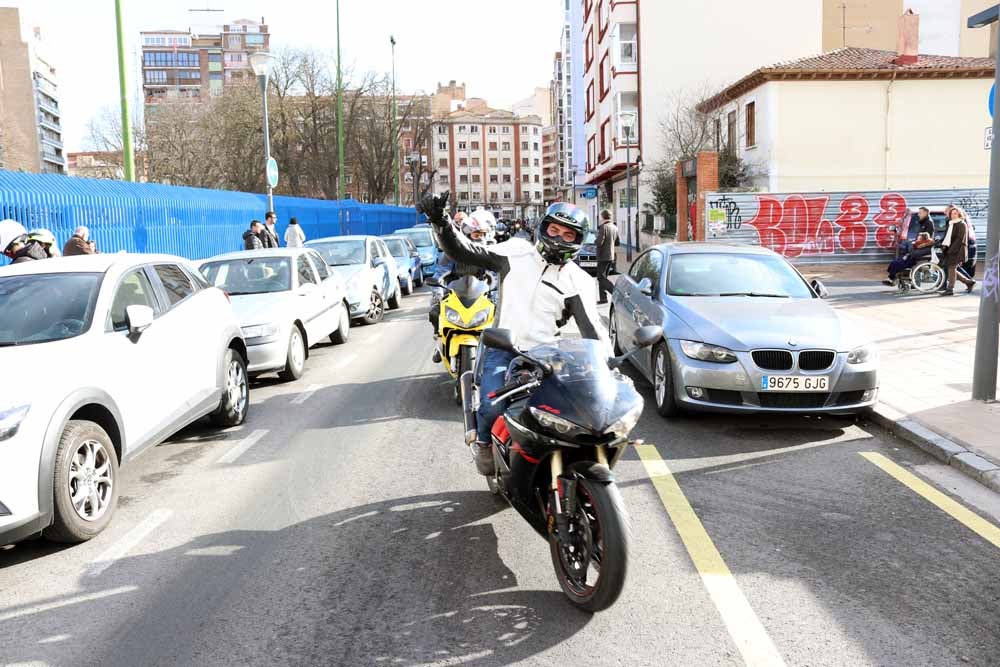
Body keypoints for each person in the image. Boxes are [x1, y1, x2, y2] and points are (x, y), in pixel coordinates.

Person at [418, 191, 605, 475]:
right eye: (553, 229)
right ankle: (483, 443)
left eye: (568, 234)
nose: (558, 237)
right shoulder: (514, 253)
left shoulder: (579, 281)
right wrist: (440, 222)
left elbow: (592, 329)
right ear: (542, 228)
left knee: (565, 415)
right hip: (503, 348)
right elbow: (463, 250)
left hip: (549, 356)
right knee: (493, 406)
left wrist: (609, 367)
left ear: (578, 241)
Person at [883, 207, 934, 285]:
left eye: (920, 212)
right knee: (896, 262)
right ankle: (892, 278)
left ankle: (892, 278)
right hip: (916, 249)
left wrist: (915, 244)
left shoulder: (928, 223)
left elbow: (926, 238)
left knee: (900, 262)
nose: (918, 214)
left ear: (925, 213)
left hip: (920, 251)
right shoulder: (922, 222)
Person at [941, 206, 976, 295]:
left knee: (952, 268)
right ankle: (968, 282)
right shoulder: (951, 223)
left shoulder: (961, 224)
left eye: (955, 213)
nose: (953, 215)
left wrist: (951, 249)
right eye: (951, 214)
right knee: (952, 269)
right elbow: (948, 237)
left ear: (959, 214)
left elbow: (960, 239)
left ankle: (950, 289)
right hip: (950, 249)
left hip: (958, 250)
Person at [595, 209, 619, 303]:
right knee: (603, 277)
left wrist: (595, 241)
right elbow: (617, 242)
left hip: (603, 256)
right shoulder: (614, 227)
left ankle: (616, 293)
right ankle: (603, 298)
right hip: (611, 256)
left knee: (601, 278)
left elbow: (599, 242)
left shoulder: (603, 227)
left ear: (602, 217)